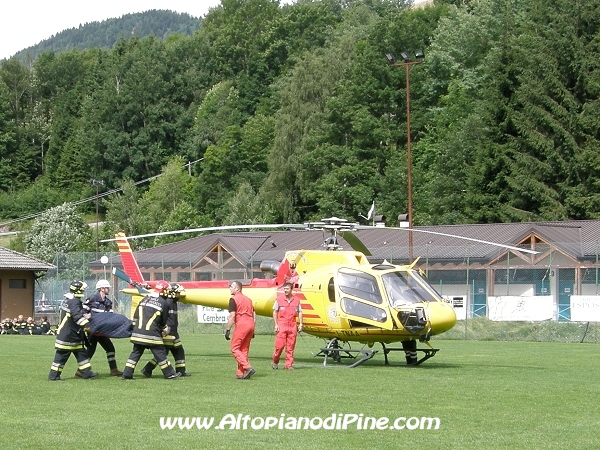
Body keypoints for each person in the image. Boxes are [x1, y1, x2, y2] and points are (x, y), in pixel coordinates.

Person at [121, 281, 180, 380]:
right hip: (152, 334)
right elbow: (162, 321)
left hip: (137, 333)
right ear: (164, 291)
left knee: (135, 353)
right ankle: (169, 374)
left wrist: (135, 329)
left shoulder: (145, 299)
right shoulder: (163, 302)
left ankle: (127, 374)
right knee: (161, 352)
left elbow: (135, 317)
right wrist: (163, 330)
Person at [48, 281, 98, 380]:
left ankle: (87, 373)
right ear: (78, 290)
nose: (84, 291)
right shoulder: (74, 301)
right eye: (82, 289)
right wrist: (87, 325)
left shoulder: (68, 300)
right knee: (61, 357)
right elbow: (76, 316)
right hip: (69, 335)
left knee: (81, 354)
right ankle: (53, 376)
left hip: (72, 334)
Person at [141, 283, 190, 377]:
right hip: (168, 333)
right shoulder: (167, 302)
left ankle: (181, 371)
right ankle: (147, 369)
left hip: (173, 332)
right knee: (165, 353)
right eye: (179, 293)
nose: (180, 295)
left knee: (177, 351)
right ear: (173, 293)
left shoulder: (173, 302)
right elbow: (165, 319)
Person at [82, 279, 122, 377]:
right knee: (92, 350)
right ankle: (82, 371)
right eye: (107, 288)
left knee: (109, 349)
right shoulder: (92, 299)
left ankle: (113, 370)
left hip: (102, 331)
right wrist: (87, 317)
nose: (109, 289)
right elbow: (82, 311)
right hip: (93, 330)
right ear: (102, 289)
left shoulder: (108, 302)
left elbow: (110, 316)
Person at [225, 281, 256, 379]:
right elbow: (254, 315)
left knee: (234, 348)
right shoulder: (248, 299)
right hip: (250, 324)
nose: (230, 288)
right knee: (244, 349)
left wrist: (228, 329)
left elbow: (232, 316)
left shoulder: (233, 299)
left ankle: (248, 367)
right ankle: (240, 373)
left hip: (242, 324)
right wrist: (253, 329)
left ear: (237, 289)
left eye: (232, 287)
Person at [272, 282, 303, 370]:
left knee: (290, 346)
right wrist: (276, 324)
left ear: (291, 290)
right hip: (282, 324)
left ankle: (288, 365)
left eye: (287, 289)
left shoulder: (297, 300)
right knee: (279, 346)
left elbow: (300, 312)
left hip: (292, 325)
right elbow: (275, 311)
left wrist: (300, 324)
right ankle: (275, 360)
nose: (285, 290)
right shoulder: (279, 299)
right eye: (284, 289)